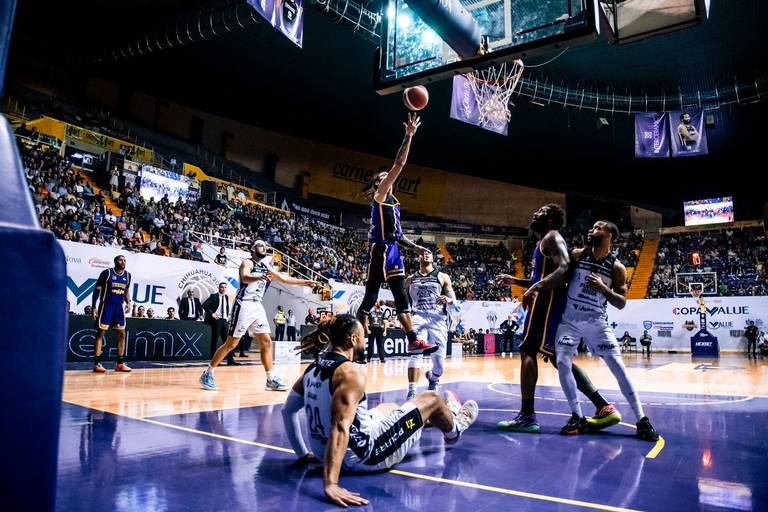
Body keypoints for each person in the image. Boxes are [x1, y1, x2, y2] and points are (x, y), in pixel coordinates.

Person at [283, 315, 479, 507]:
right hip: (364, 456)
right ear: (352, 339)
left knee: (390, 409)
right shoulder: (350, 373)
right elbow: (340, 426)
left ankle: (439, 416)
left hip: (322, 453)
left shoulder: (313, 367)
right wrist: (331, 484)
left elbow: (288, 411)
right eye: (362, 337)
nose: (365, 340)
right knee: (432, 398)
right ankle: (455, 429)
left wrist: (302, 454)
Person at [494, 205, 617, 433]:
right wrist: (517, 281)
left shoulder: (552, 237)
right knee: (558, 358)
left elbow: (565, 268)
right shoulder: (545, 241)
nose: (534, 213)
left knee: (528, 350)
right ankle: (603, 406)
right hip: (548, 299)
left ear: (550, 219)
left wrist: (537, 288)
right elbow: (542, 276)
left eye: (539, 211)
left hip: (547, 301)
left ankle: (527, 416)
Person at [553, 220, 659, 440]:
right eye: (591, 227)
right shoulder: (577, 255)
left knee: (618, 366)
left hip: (596, 321)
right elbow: (556, 277)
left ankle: (642, 420)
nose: (592, 230)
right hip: (570, 320)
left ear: (610, 235)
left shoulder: (616, 267)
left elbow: (621, 302)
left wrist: (602, 288)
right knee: (562, 361)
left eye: (598, 228)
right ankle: (577, 415)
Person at [356, 113, 437, 356]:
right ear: (378, 185)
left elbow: (398, 235)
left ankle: (412, 340)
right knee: (370, 299)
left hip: (393, 250)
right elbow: (399, 165)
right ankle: (358, 345)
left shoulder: (393, 202)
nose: (385, 179)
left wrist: (416, 248)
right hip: (380, 251)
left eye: (385, 178)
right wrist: (408, 136)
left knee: (402, 299)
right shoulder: (380, 197)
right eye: (381, 178)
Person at [199, 240, 318, 391]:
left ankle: (271, 378)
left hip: (257, 306)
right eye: (261, 245)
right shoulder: (247, 262)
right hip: (243, 305)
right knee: (231, 344)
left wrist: (305, 282)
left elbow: (284, 279)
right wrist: (260, 277)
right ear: (253, 249)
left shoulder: (266, 267)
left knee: (266, 342)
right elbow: (245, 277)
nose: (265, 247)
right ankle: (208, 373)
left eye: (266, 246)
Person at [405, 249, 456, 400]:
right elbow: (404, 303)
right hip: (418, 318)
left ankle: (433, 378)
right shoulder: (410, 279)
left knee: (440, 365)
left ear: (433, 258)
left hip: (438, 319)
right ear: (418, 257)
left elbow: (455, 303)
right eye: (422, 252)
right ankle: (412, 391)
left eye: (429, 253)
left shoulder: (442, 277)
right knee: (415, 354)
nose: (426, 254)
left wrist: (449, 300)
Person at [90, 255, 132, 373]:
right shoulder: (107, 273)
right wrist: (93, 306)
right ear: (115, 262)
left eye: (124, 260)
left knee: (122, 334)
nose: (123, 262)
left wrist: (129, 302)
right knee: (100, 333)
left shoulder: (128, 275)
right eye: (120, 260)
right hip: (106, 306)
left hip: (119, 308)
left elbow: (126, 291)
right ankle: (96, 363)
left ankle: (119, 363)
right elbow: (97, 289)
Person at [202, 282, 237, 366]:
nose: (223, 289)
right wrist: (212, 313)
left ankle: (230, 360)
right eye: (222, 287)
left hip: (225, 321)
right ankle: (214, 361)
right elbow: (204, 305)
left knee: (228, 342)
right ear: (219, 288)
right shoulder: (214, 296)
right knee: (214, 341)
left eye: (225, 287)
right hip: (217, 321)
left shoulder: (226, 297)